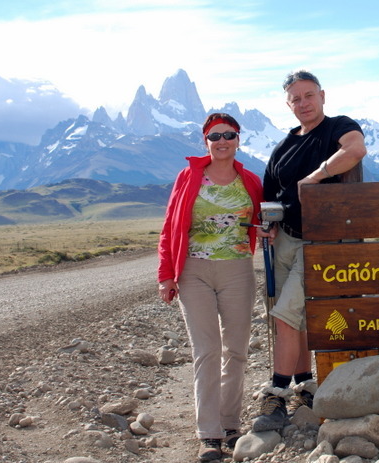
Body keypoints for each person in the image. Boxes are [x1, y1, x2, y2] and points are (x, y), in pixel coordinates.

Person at [252, 70, 367, 432]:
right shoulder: (283, 148)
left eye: (308, 95)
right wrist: (269, 222)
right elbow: (271, 195)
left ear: (322, 95)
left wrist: (316, 178)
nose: (303, 103)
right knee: (293, 319)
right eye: (295, 99)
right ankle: (305, 384)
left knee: (286, 315)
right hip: (285, 239)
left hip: (321, 244)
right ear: (288, 104)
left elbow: (355, 150)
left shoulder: (338, 127)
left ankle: (277, 393)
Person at [157, 112, 263, 461]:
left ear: (238, 139)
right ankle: (209, 433)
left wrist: (266, 231)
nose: (221, 141)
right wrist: (166, 274)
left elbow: (262, 221)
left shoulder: (249, 180)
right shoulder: (188, 178)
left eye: (228, 135)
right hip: (194, 272)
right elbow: (169, 226)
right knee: (206, 350)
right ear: (205, 141)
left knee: (236, 349)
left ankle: (231, 424)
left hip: (237, 270)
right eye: (214, 135)